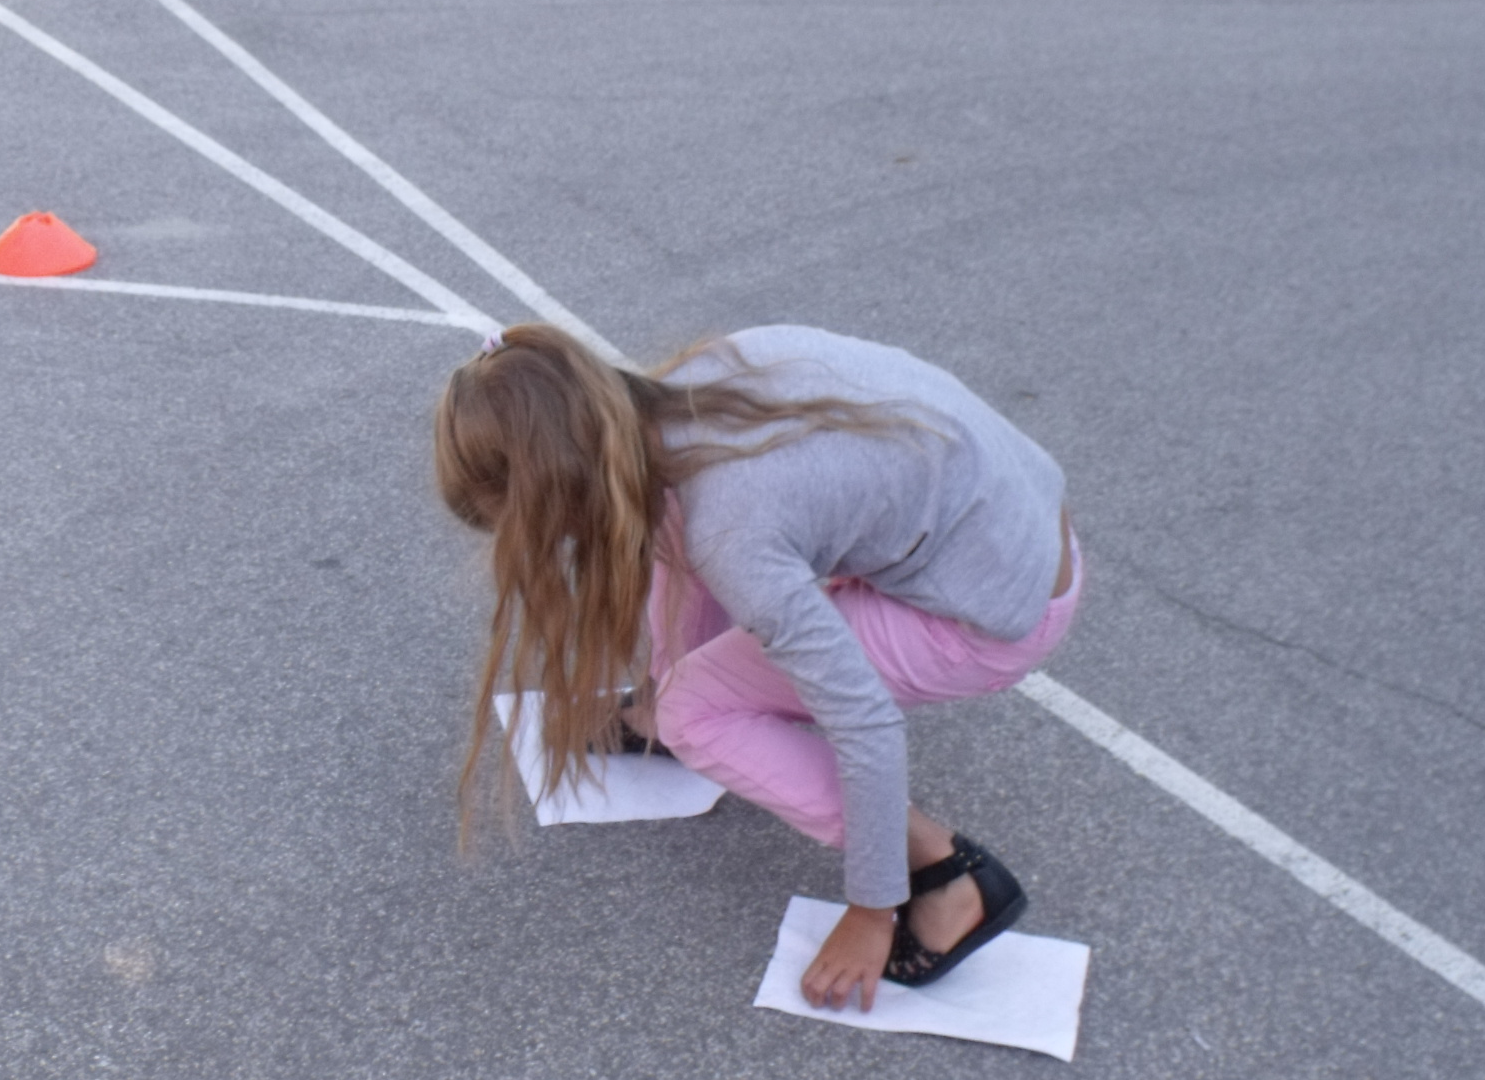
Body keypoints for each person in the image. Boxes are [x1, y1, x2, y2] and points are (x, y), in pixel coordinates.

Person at [434, 321, 1082, 1013]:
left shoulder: (731, 530)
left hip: (984, 617)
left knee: (694, 711)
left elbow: (863, 719)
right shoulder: (695, 384)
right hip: (1017, 527)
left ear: (567, 486)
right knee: (675, 539)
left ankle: (947, 872)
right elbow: (697, 531)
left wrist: (872, 907)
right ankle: (658, 711)